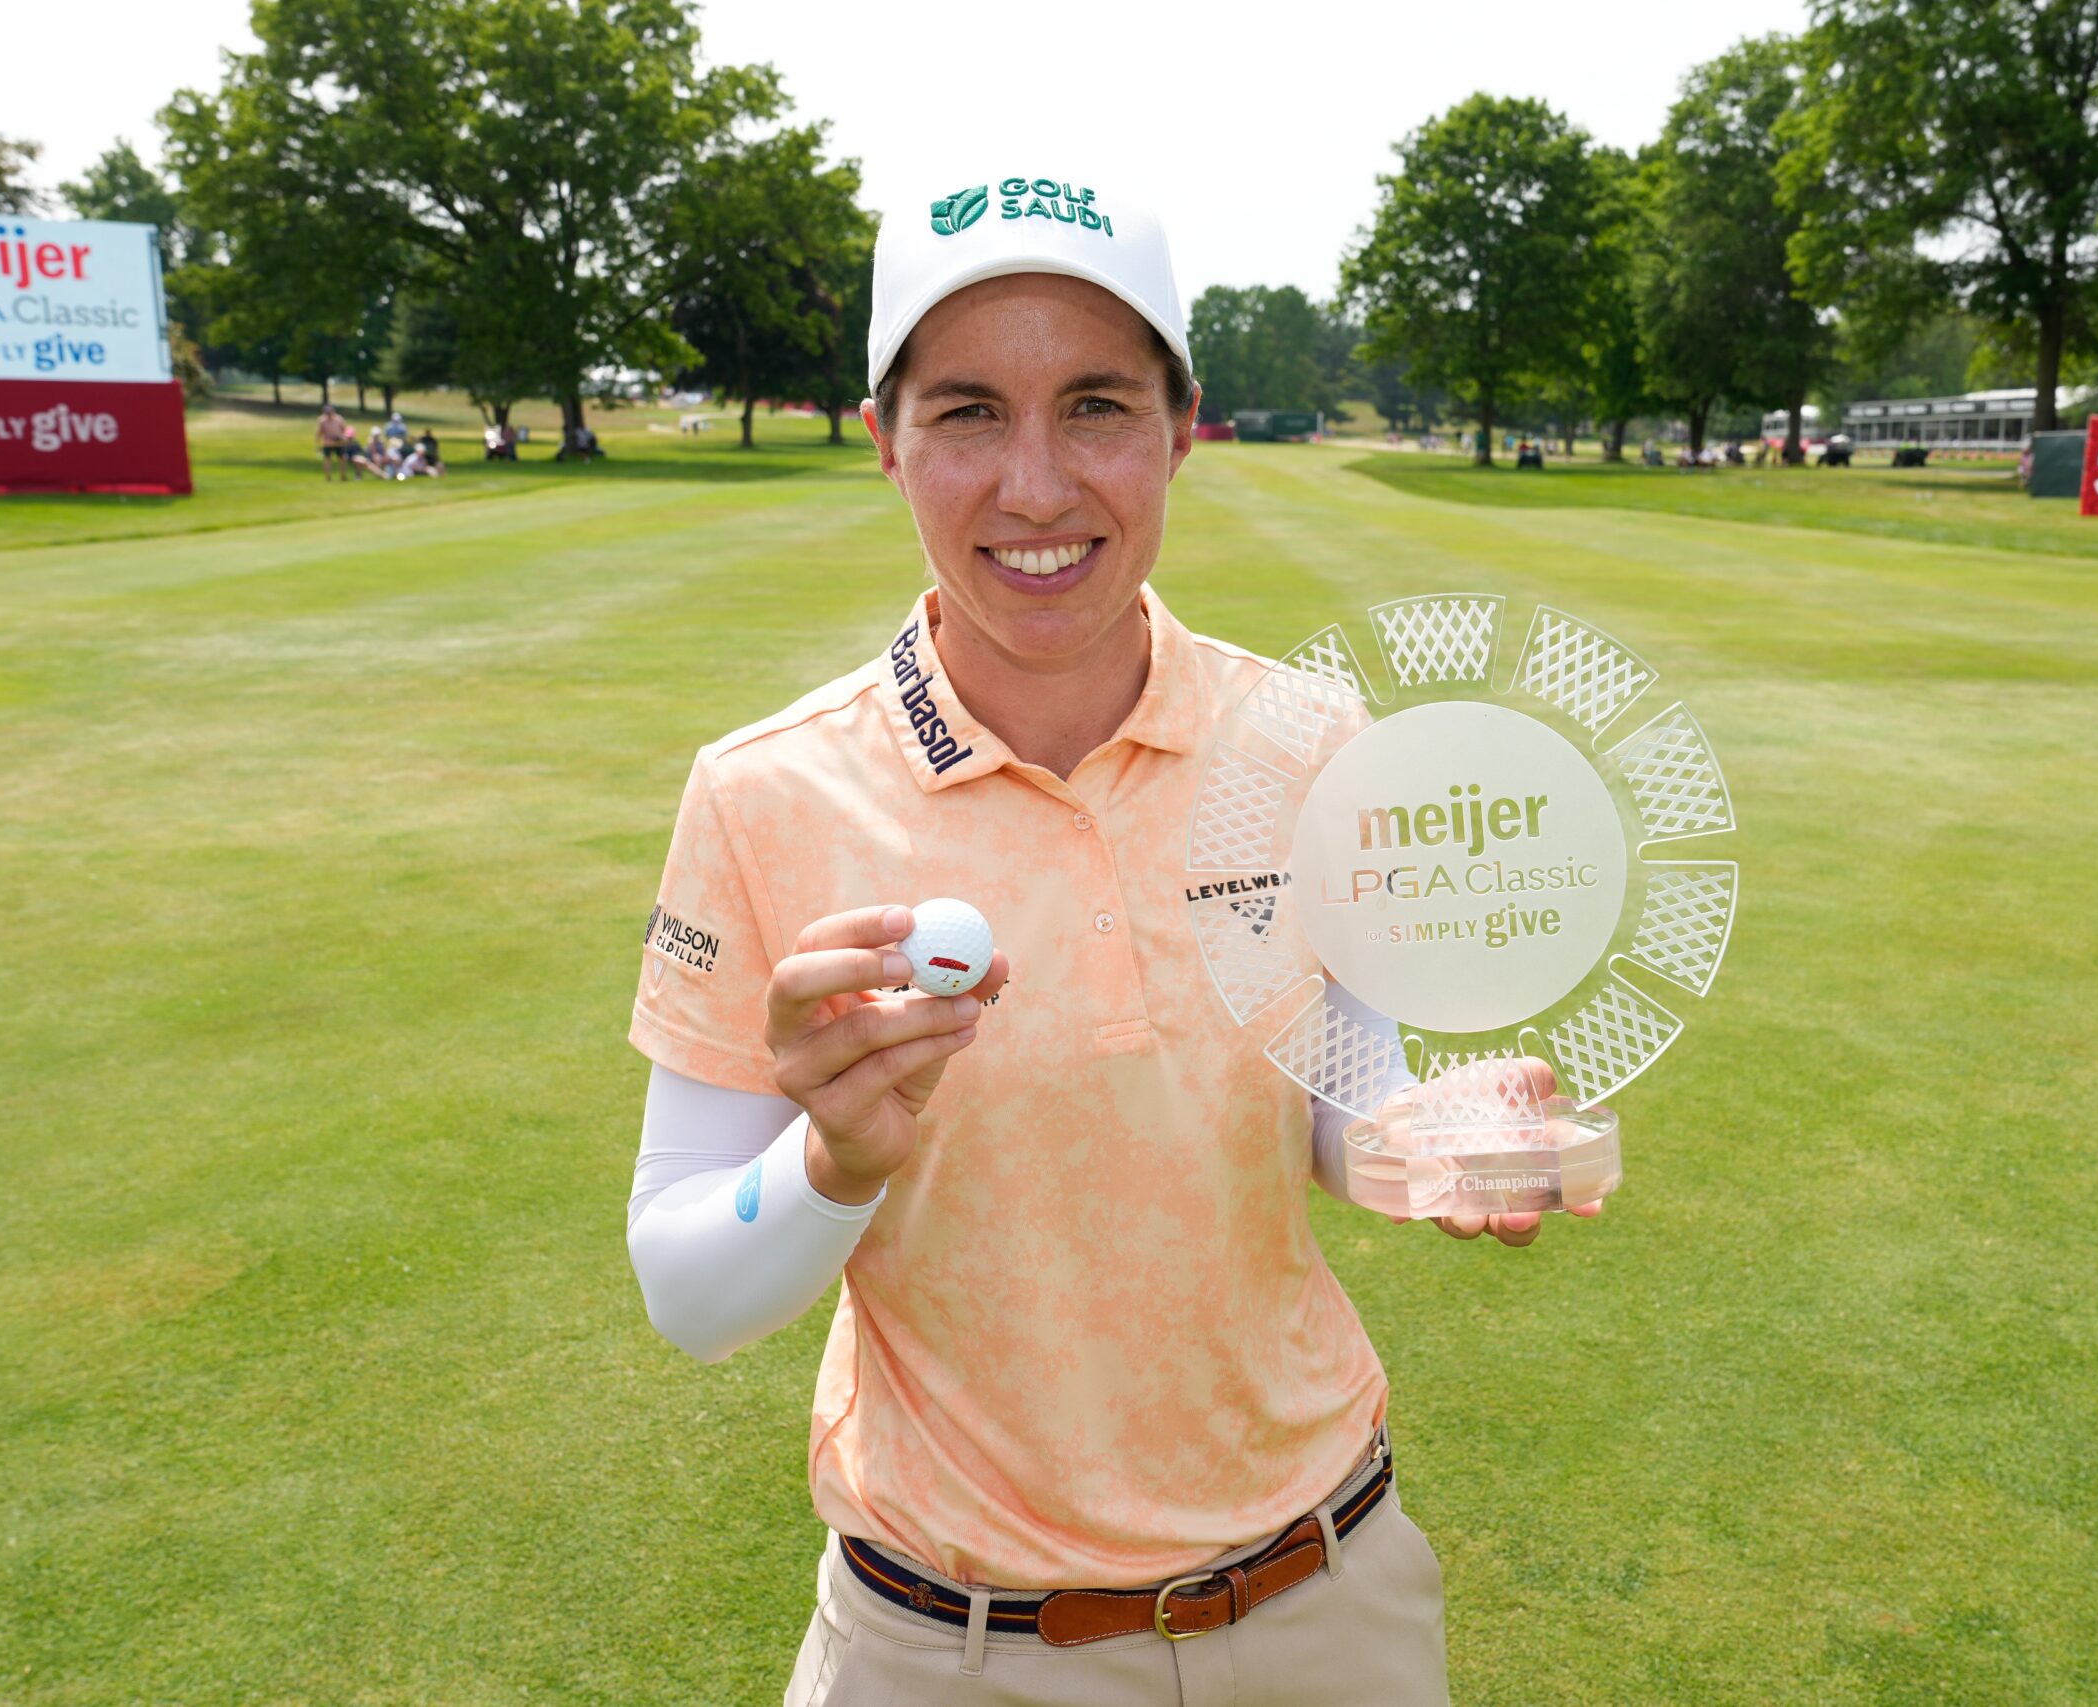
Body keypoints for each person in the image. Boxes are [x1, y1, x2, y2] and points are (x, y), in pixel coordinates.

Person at [624, 172, 1602, 1707]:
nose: (1034, 485)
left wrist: (1429, 1132)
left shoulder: (1304, 737)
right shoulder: (762, 794)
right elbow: (686, 1287)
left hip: (1328, 1604)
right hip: (952, 1648)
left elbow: (1343, 1099)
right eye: (965, 412)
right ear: (884, 439)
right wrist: (831, 1165)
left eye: (1094, 405)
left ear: (1180, 426)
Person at [315, 405, 352, 480]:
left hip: (339, 443)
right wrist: (318, 444)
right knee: (327, 459)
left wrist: (344, 438)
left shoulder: (339, 419)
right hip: (328, 443)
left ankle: (343, 476)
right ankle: (328, 476)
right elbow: (319, 432)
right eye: (327, 413)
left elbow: (344, 429)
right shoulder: (322, 421)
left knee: (342, 459)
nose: (328, 414)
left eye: (329, 412)